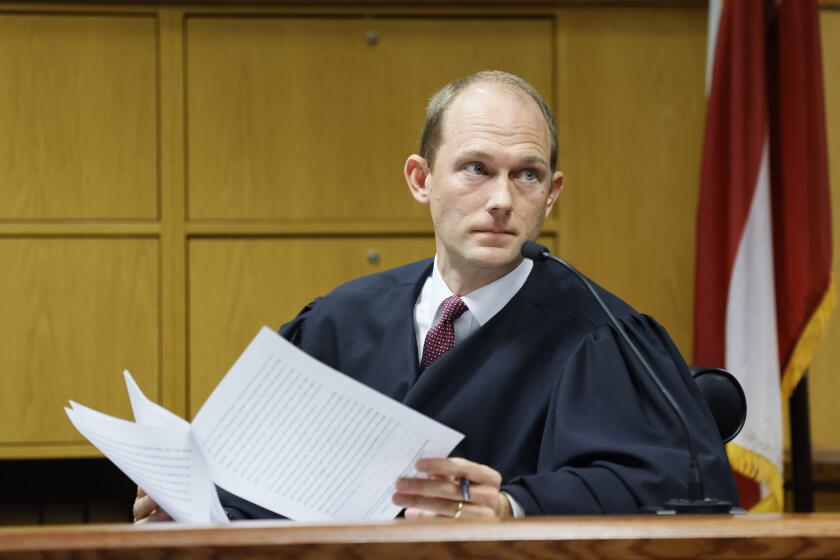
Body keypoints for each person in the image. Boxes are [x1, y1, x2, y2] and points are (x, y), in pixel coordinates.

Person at [134, 70, 738, 523]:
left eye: (526, 174)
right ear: (422, 180)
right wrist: (193, 505)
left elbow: (681, 485)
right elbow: (258, 479)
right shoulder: (339, 321)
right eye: (476, 168)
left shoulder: (601, 333)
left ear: (551, 193)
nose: (502, 199)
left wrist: (512, 506)